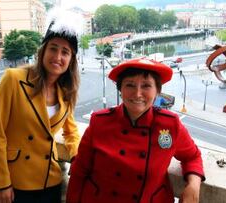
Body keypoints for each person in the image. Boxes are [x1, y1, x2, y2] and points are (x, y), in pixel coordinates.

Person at [67, 58, 205, 203]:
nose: (137, 93)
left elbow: (192, 156)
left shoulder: (170, 125)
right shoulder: (100, 122)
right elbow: (79, 170)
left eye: (146, 86)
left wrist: (193, 184)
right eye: (130, 85)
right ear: (120, 90)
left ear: (157, 91)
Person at [0, 8, 83, 203]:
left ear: (71, 60)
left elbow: (71, 133)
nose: (58, 56)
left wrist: (77, 157)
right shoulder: (14, 79)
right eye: (53, 48)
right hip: (17, 181)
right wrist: (1, 181)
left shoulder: (66, 92)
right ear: (43, 51)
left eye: (65, 52)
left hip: (52, 178)